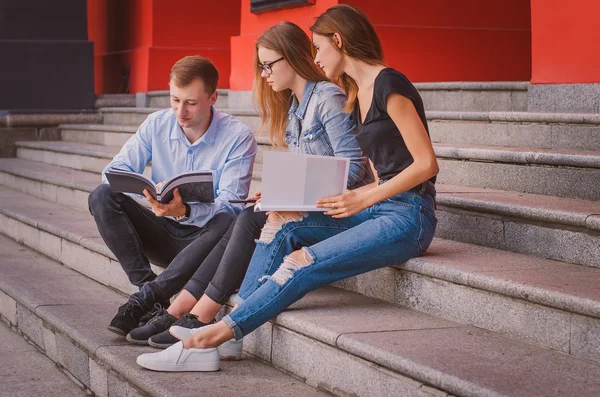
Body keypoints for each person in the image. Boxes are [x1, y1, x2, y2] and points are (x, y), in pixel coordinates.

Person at [136, 4, 439, 372]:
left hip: (410, 216)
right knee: (281, 222)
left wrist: (363, 196)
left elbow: (425, 165)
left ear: (338, 41)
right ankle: (232, 339)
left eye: (318, 47)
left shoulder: (390, 84)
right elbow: (378, 170)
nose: (315, 58)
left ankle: (207, 338)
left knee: (301, 262)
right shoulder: (356, 93)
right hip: (378, 207)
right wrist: (295, 193)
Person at [125, 21, 372, 353]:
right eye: (261, 65)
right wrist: (280, 192)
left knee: (246, 218)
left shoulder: (327, 97)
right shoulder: (296, 107)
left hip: (344, 212)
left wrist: (296, 195)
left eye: (269, 64)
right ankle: (180, 309)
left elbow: (354, 168)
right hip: (318, 205)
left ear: (293, 58)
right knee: (246, 212)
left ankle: (198, 313)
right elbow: (310, 170)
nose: (265, 73)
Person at [88, 55, 257, 337]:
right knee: (102, 196)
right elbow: (112, 172)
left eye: (191, 102)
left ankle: (145, 299)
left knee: (230, 216)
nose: (181, 112)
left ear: (213, 97)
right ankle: (149, 293)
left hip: (208, 245)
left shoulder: (238, 137)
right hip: (163, 232)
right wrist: (151, 193)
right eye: (175, 100)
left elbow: (231, 204)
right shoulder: (157, 124)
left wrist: (185, 211)